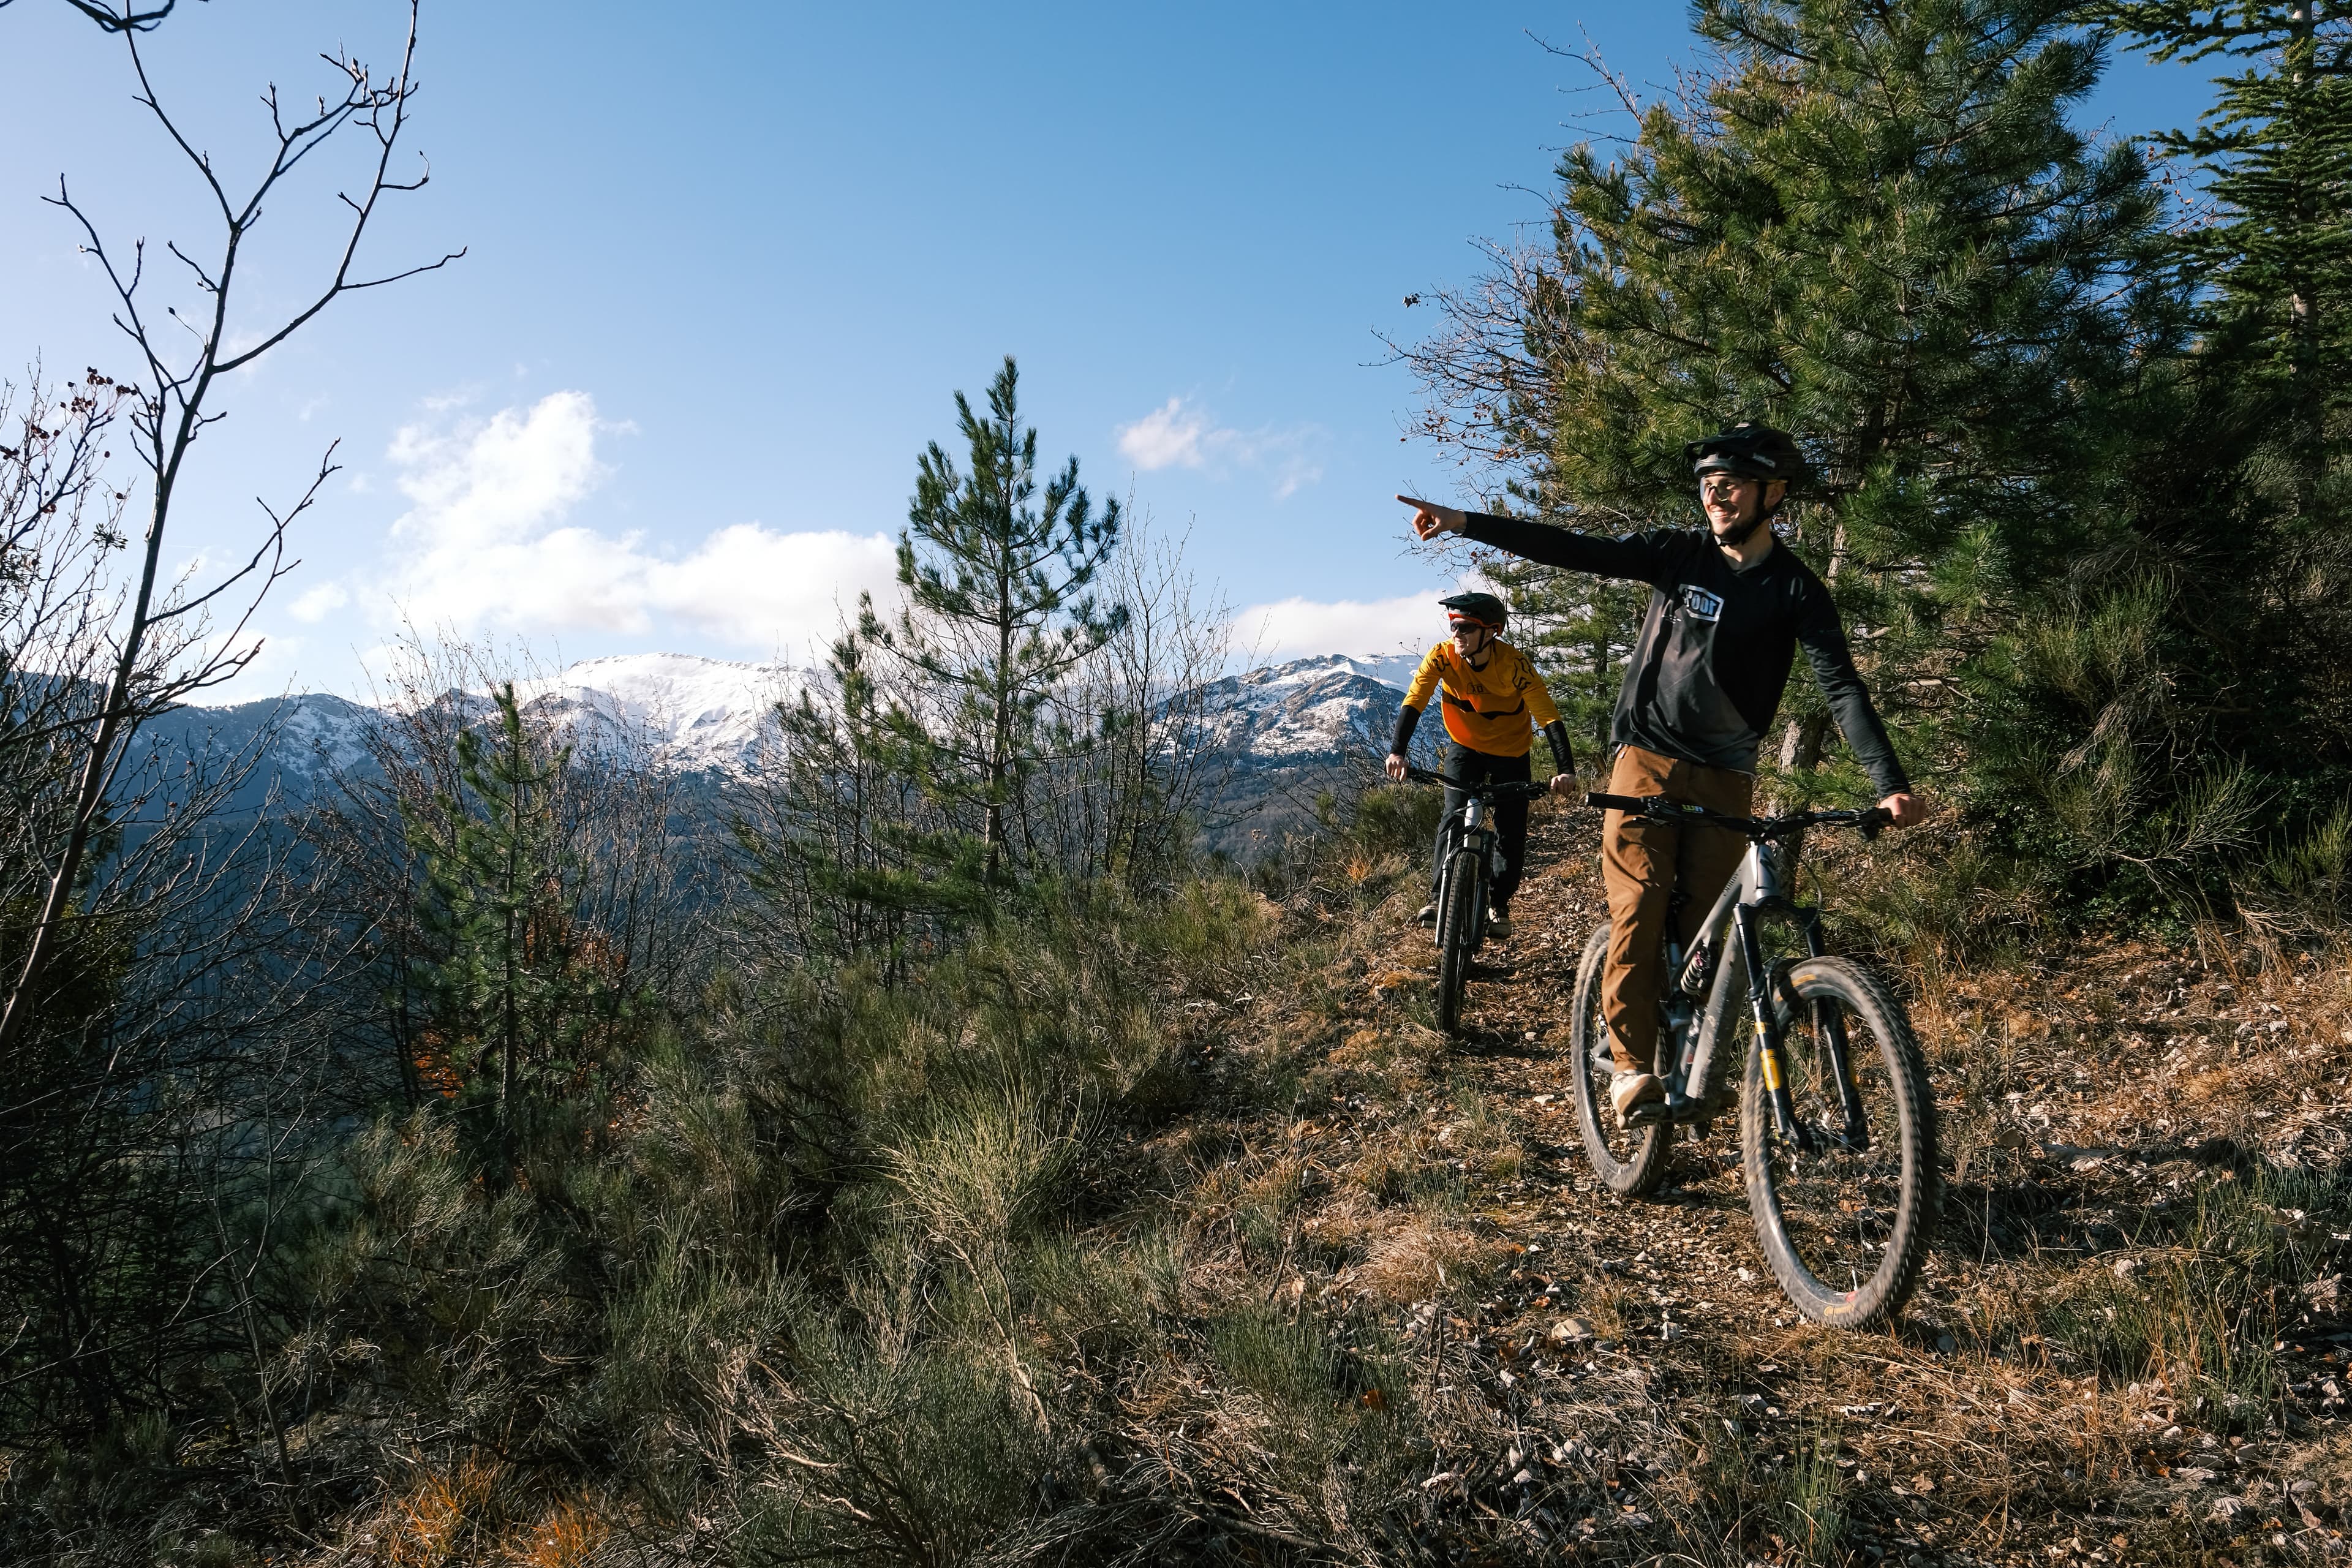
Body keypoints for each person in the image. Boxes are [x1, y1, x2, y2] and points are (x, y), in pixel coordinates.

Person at [1399, 423, 1922, 1128]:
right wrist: (1465, 522)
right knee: (1641, 903)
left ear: (1775, 493)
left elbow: (1843, 687)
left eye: (1730, 482)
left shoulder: (1796, 589)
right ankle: (1632, 1067)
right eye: (1707, 484)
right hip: (1644, 758)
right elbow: (1575, 550)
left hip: (1726, 773)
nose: (1714, 495)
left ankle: (1696, 1055)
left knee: (1711, 930)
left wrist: (1888, 782)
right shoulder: (1679, 557)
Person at [1384, 590, 1578, 940]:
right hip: (1465, 747)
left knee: (1511, 829)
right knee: (1454, 814)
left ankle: (1498, 902)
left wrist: (1566, 770)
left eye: (1466, 628)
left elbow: (1548, 718)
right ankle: (1437, 896)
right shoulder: (1441, 658)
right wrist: (1398, 751)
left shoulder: (1514, 666)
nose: (1456, 634)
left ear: (1491, 632)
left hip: (1512, 752)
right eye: (1453, 626)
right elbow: (1414, 702)